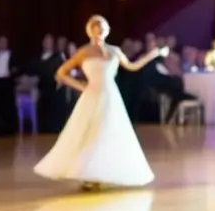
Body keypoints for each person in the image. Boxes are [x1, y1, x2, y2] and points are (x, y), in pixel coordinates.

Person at [34, 15, 166, 191]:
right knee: (88, 133)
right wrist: (80, 86)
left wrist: (152, 55)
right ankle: (88, 175)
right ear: (90, 32)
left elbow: (132, 66)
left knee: (108, 133)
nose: (99, 33)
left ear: (106, 31)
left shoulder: (114, 51)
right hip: (92, 96)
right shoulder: (83, 52)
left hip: (111, 97)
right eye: (96, 30)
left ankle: (103, 174)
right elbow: (61, 73)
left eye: (102, 30)